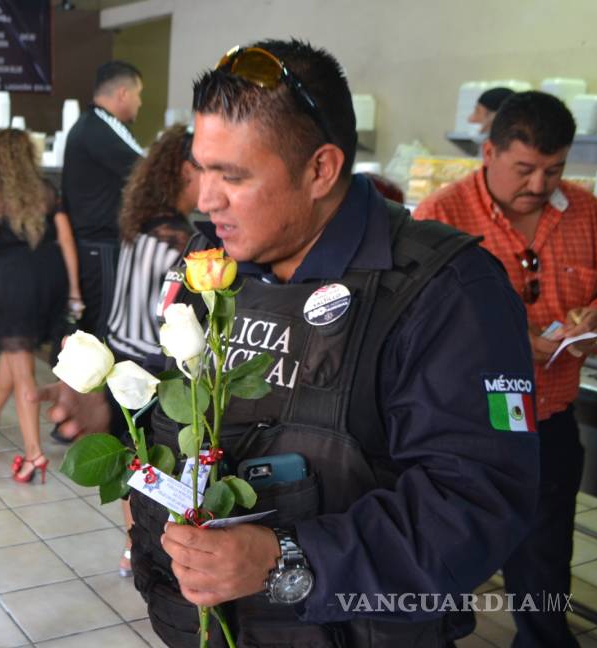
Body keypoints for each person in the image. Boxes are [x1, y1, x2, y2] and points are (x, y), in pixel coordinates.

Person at [40, 39, 539, 647]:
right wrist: (121, 401)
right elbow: (195, 403)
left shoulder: (448, 293)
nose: (205, 198)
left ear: (321, 169)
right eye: (202, 168)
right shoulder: (214, 265)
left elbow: (478, 505)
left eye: (234, 175)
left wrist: (285, 558)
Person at [415, 90, 597, 648]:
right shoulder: (440, 218)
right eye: (524, 169)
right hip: (467, 426)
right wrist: (509, 343)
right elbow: (418, 328)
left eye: (554, 170)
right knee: (447, 549)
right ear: (489, 153)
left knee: (544, 555)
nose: (540, 186)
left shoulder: (586, 212)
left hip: (550, 417)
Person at [0, 128, 79, 484]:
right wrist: (74, 291)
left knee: (22, 367)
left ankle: (34, 454)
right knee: (16, 357)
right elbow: (67, 239)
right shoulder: (44, 189)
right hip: (49, 282)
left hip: (13, 286)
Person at [104, 124, 198, 577]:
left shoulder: (141, 222)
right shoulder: (178, 241)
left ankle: (131, 547)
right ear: (185, 171)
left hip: (117, 357)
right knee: (150, 470)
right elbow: (170, 321)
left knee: (133, 462)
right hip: (147, 368)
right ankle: (139, 549)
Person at [61, 60, 145, 337]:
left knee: (93, 333)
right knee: (101, 335)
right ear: (122, 93)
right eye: (138, 94)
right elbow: (148, 171)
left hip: (94, 247)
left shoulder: (91, 125)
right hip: (101, 249)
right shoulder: (101, 126)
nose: (140, 102)